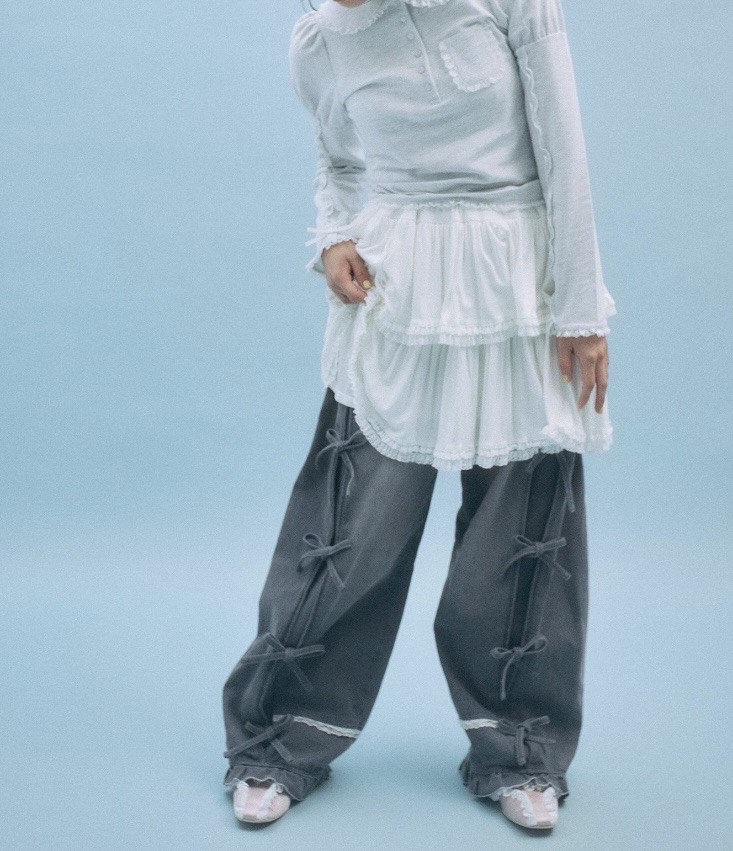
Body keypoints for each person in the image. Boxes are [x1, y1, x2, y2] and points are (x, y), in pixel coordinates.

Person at [222, 0, 617, 831]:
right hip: (401, 283)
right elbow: (337, 159)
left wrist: (581, 305)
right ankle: (280, 736)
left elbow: (563, 142)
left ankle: (521, 747)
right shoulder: (320, 39)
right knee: (349, 523)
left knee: (522, 525)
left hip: (516, 276)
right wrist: (334, 235)